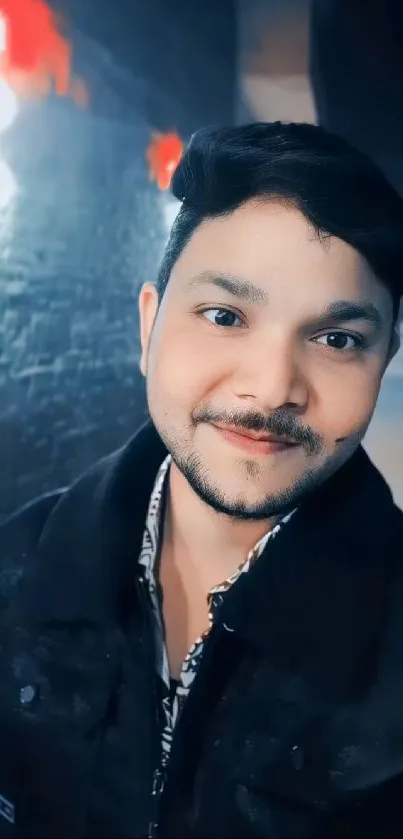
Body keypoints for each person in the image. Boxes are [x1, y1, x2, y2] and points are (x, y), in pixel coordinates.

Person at [0, 121, 402, 839]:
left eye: (336, 339)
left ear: (383, 360)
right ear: (148, 326)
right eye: (224, 315)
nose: (272, 386)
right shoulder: (14, 570)